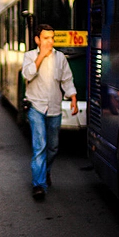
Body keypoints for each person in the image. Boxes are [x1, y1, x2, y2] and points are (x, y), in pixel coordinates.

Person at [22, 24, 78, 200]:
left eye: (52, 38)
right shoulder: (29, 56)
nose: (50, 42)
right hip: (36, 107)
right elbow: (27, 75)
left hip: (54, 108)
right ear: (37, 40)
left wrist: (73, 98)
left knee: (53, 147)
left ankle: (45, 171)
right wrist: (41, 56)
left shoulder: (60, 58)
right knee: (40, 146)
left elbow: (67, 79)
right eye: (46, 38)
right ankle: (39, 185)